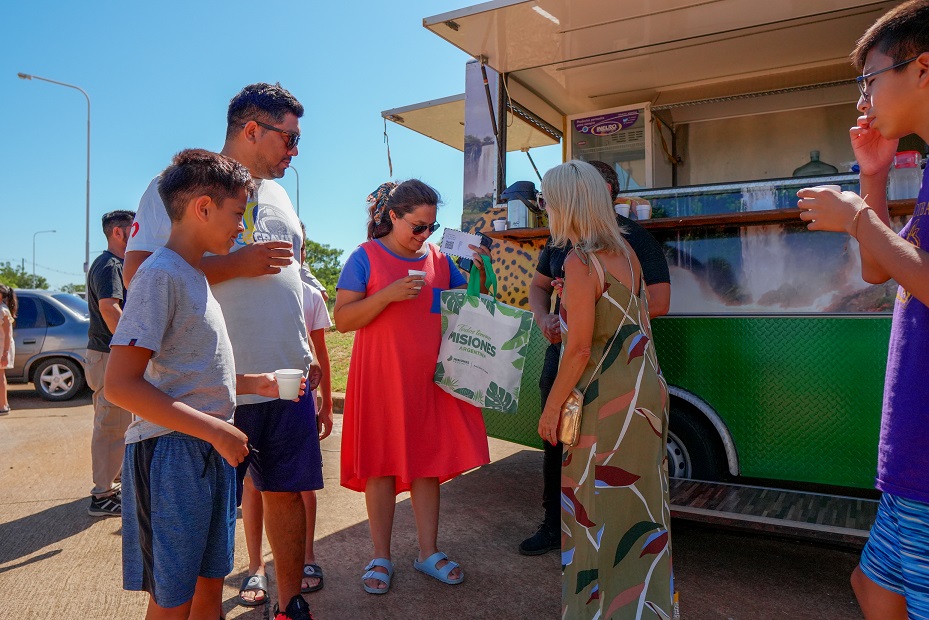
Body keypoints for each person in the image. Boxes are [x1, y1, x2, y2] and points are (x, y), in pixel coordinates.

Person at [123, 83, 320, 620]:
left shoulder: (279, 195)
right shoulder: (177, 188)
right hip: (206, 396)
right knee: (189, 556)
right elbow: (140, 273)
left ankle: (290, 600)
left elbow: (294, 278)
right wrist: (236, 264)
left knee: (282, 493)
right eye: (290, 137)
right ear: (252, 129)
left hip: (279, 374)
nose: (295, 151)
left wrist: (309, 350)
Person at [797, 2, 929, 618]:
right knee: (872, 588)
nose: (863, 98)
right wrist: (873, 177)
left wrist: (854, 216)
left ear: (922, 68)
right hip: (912, 457)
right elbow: (885, 272)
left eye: (870, 79)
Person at [333, 180, 491, 594]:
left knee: (428, 467)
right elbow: (343, 319)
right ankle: (380, 556)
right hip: (381, 381)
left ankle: (428, 552)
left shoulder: (439, 258)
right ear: (392, 216)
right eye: (417, 226)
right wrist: (387, 295)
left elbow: (468, 308)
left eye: (431, 228)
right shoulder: (364, 257)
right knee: (380, 467)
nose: (424, 236)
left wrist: (481, 274)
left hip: (430, 383)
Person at [537, 160, 673, 619]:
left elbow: (577, 352)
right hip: (642, 392)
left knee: (592, 510)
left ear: (565, 204)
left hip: (603, 401)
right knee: (640, 510)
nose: (544, 208)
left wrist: (551, 409)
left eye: (546, 199)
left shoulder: (580, 261)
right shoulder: (627, 253)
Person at [237, 232, 334, 608]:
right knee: (251, 488)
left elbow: (316, 345)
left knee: (295, 489)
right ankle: (255, 564)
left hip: (293, 398)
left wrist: (324, 403)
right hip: (244, 396)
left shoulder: (306, 289)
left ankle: (302, 567)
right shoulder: (238, 273)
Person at [85, 209, 135, 517]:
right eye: (134, 229)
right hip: (109, 354)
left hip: (106, 354)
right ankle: (101, 496)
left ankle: (113, 482)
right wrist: (134, 344)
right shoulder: (110, 265)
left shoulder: (112, 264)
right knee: (110, 425)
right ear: (118, 232)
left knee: (116, 423)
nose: (138, 234)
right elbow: (109, 308)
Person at [0, 285, 16, 416]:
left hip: (2, 349)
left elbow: (8, 335)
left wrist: (5, 354)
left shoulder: (3, 311)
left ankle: (3, 405)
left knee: (0, 376)